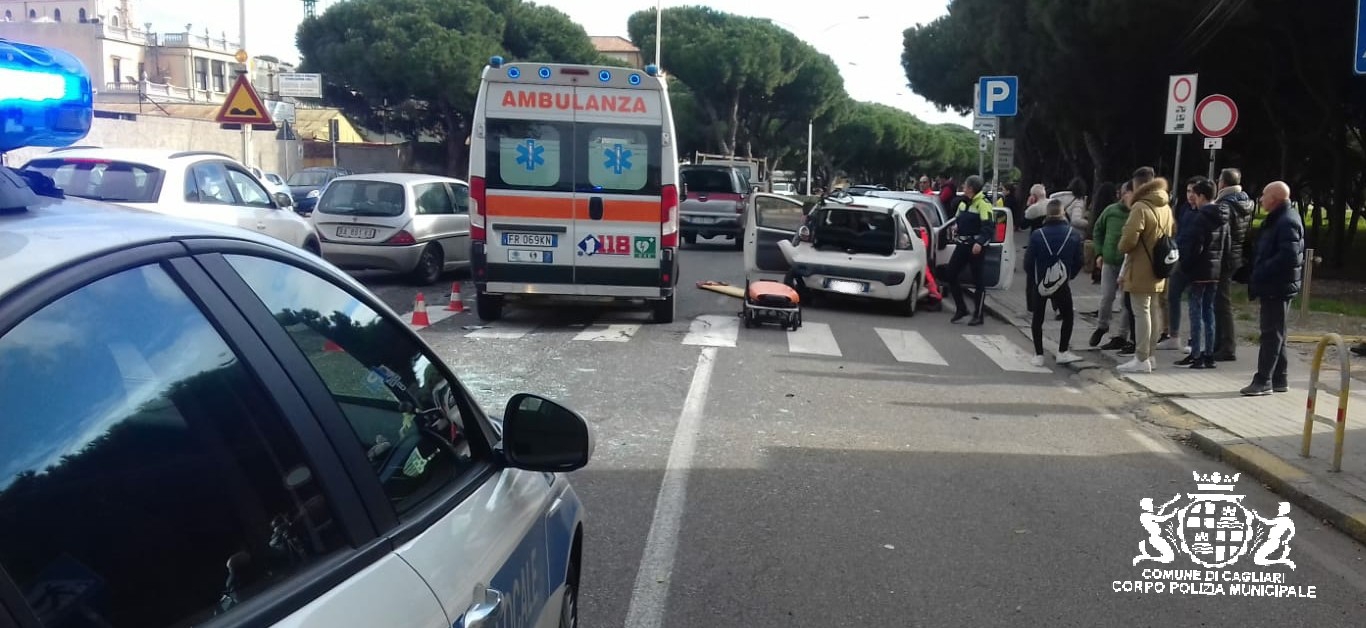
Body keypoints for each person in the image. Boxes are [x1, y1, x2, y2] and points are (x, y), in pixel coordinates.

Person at [1242, 181, 1304, 396]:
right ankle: (1280, 378)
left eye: (1264, 195)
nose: (1260, 199)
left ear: (1275, 199)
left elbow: (1288, 255)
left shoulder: (1286, 221)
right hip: (1275, 283)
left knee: (1271, 334)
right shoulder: (1278, 218)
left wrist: (1263, 270)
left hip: (1277, 285)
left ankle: (1263, 380)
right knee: (1277, 332)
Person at [1116, 167, 1175, 374]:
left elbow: (1129, 240)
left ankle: (1141, 357)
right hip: (1158, 265)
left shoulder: (1140, 207)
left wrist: (1122, 243)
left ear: (1139, 185)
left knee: (1141, 312)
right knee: (1153, 311)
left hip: (1140, 266)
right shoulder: (1165, 206)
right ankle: (1150, 355)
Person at [1176, 178, 1228, 369]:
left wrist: (1186, 265)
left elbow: (1195, 246)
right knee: (1209, 312)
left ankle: (1196, 354)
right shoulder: (1223, 216)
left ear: (1201, 196)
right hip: (1214, 270)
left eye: (1195, 196)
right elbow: (1226, 245)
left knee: (1195, 312)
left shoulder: (1201, 217)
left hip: (1198, 270)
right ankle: (1209, 354)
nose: (1193, 200)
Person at [1025, 199, 1084, 366]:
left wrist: (1035, 278)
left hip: (1040, 281)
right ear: (1063, 213)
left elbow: (1028, 262)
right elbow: (1079, 260)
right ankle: (1062, 351)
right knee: (1068, 316)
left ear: (1047, 214)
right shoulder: (1073, 234)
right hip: (1062, 282)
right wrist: (1069, 276)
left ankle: (1038, 355)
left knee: (1038, 317)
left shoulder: (1037, 234)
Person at [1159, 176, 1207, 353]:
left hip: (1194, 263)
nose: (1190, 195)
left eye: (1194, 192)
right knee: (1172, 297)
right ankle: (1173, 336)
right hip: (1178, 258)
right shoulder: (1185, 209)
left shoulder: (1203, 212)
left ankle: (1194, 339)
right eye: (1188, 191)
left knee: (1197, 304)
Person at [1213, 168, 1254, 361]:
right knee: (1221, 300)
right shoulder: (1243, 201)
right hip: (1235, 255)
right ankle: (1220, 343)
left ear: (1223, 183)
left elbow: (1222, 233)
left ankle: (1227, 346)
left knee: (1222, 302)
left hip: (1225, 256)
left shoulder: (1226, 204)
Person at [944, 175, 996, 326]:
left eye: (965, 186)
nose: (963, 188)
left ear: (972, 188)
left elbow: (988, 227)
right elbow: (958, 220)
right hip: (962, 244)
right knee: (950, 273)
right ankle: (961, 308)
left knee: (978, 280)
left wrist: (980, 242)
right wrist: (956, 227)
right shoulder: (964, 203)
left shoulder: (983, 204)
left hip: (975, 247)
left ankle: (978, 315)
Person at [1092, 182, 1131, 348]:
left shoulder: (1136, 212)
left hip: (1127, 262)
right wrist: (1099, 252)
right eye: (1125, 193)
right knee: (1107, 296)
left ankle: (1122, 334)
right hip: (1109, 261)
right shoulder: (1111, 211)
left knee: (1125, 301)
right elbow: (1098, 230)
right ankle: (1102, 326)